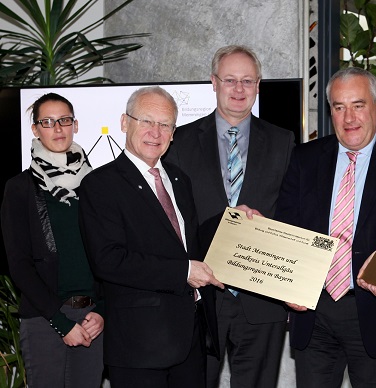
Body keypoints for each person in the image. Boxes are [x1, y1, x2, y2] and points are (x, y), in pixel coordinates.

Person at [275, 67, 376, 388]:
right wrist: (286, 284)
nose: (349, 117)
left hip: (374, 313)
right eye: (339, 107)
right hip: (313, 312)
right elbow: (286, 226)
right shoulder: (303, 158)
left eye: (358, 105)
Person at [164, 44, 294, 388]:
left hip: (263, 298)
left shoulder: (283, 141)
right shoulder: (181, 142)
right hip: (202, 297)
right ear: (214, 82)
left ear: (258, 85)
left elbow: (292, 213)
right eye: (230, 80)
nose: (239, 90)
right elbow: (172, 218)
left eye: (247, 81)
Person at [78, 86, 222, 388]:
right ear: (124, 123)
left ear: (173, 133)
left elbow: (186, 241)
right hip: (139, 347)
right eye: (146, 121)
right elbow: (108, 260)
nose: (155, 132)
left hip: (191, 339)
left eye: (165, 124)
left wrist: (234, 222)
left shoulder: (180, 180)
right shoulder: (100, 184)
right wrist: (184, 272)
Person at [1, 93, 104, 387]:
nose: (57, 128)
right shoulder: (19, 188)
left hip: (91, 319)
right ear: (35, 129)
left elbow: (108, 254)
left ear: (75, 125)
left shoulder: (95, 184)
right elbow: (19, 265)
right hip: (45, 318)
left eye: (64, 120)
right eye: (47, 122)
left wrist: (102, 312)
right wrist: (61, 323)